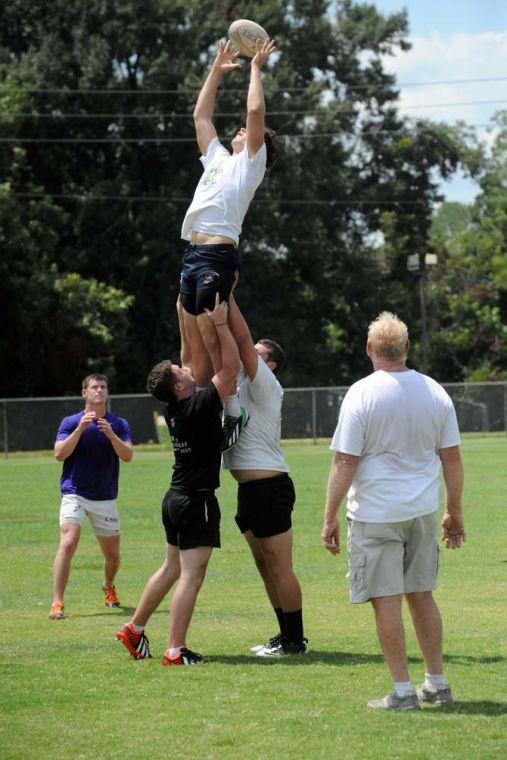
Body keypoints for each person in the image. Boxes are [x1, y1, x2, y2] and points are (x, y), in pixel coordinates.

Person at [321, 312, 465, 710]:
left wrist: (329, 515)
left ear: (369, 349)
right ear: (406, 348)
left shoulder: (361, 394)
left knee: (386, 599)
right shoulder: (435, 391)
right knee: (422, 595)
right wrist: (453, 510)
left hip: (375, 513)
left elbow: (345, 462)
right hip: (421, 510)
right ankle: (436, 682)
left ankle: (402, 692)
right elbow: (451, 458)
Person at [116, 295, 240, 665]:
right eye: (180, 370)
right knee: (191, 576)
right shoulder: (199, 405)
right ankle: (175, 650)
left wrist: (182, 311)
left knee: (171, 568)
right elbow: (231, 369)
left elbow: (191, 357)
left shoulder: (177, 407)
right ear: (180, 386)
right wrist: (219, 323)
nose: (186, 368)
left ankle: (134, 629)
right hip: (195, 501)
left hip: (176, 499)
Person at [179, 36, 278, 393]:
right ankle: (203, 398)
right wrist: (215, 71)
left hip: (216, 254)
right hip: (192, 253)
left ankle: (231, 405)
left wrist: (254, 69)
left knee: (213, 329)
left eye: (250, 134)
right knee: (194, 339)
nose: (242, 130)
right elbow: (201, 115)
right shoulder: (218, 158)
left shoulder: (251, 163)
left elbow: (255, 113)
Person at [222, 293, 306, 657]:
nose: (250, 355)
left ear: (270, 365)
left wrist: (228, 295)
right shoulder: (242, 383)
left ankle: (295, 640)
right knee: (264, 566)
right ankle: (283, 634)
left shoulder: (266, 385)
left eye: (259, 353)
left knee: (280, 567)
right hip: (249, 490)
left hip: (270, 487)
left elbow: (240, 340)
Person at [49, 374, 133, 620]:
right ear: (84, 393)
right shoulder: (70, 421)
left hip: (105, 496)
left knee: (113, 556)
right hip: (74, 492)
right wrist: (80, 429)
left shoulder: (118, 423)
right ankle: (57, 602)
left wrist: (111, 435)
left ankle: (108, 586)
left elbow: (127, 456)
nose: (99, 391)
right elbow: (59, 454)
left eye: (103, 387)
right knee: (68, 542)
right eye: (94, 387)